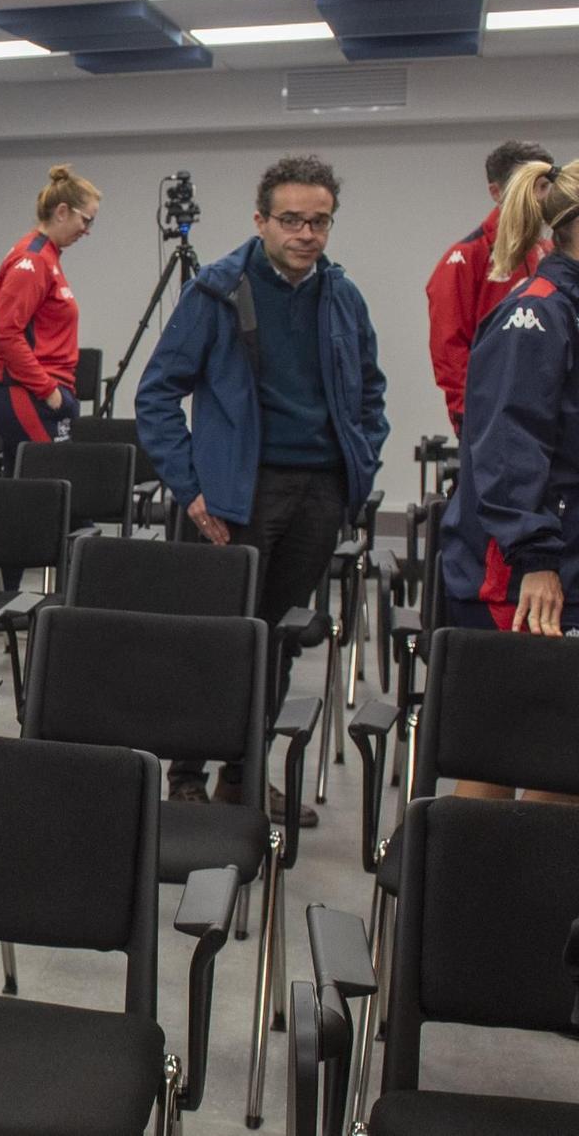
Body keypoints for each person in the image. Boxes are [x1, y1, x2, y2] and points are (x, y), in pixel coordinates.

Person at [136, 155, 389, 816]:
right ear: (262, 220)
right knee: (222, 636)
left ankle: (245, 777)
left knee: (276, 638)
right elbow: (158, 393)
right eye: (292, 220)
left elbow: (371, 390)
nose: (306, 233)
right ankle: (187, 773)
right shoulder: (218, 289)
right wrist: (191, 487)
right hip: (238, 495)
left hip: (318, 492)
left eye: (319, 221)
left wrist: (362, 454)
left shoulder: (342, 295)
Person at [438, 157, 579, 804]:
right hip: (526, 571)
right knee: (515, 756)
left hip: (562, 554)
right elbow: (505, 447)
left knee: (559, 757)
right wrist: (536, 557)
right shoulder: (539, 313)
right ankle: (470, 899)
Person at [426, 139, 555, 432]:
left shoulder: (551, 254)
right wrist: (474, 416)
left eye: (544, 185)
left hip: (549, 417)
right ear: (496, 193)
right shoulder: (466, 258)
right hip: (492, 422)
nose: (539, 197)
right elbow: (449, 351)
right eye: (528, 187)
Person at [0, 165, 99, 469]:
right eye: (85, 219)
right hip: (23, 390)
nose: (87, 230)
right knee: (53, 482)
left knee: (36, 493)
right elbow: (5, 332)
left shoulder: (48, 257)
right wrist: (49, 392)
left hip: (43, 389)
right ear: (62, 211)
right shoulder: (32, 260)